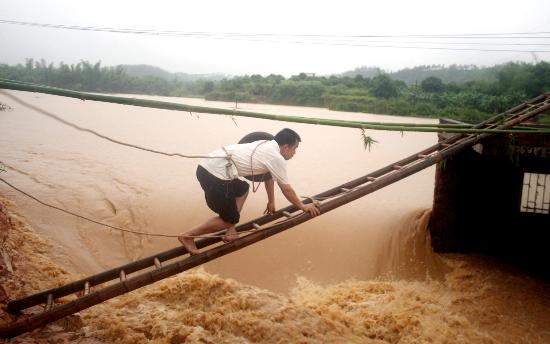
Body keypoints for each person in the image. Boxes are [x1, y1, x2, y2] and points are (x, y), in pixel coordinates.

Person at [178, 128, 320, 254]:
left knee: (242, 189)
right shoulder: (276, 157)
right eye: (295, 148)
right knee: (228, 219)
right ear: (286, 147)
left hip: (207, 167)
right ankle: (188, 236)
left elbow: (269, 175)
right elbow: (286, 189)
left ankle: (230, 229)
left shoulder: (266, 144)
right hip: (216, 175)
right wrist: (302, 206)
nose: (294, 153)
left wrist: (271, 201)